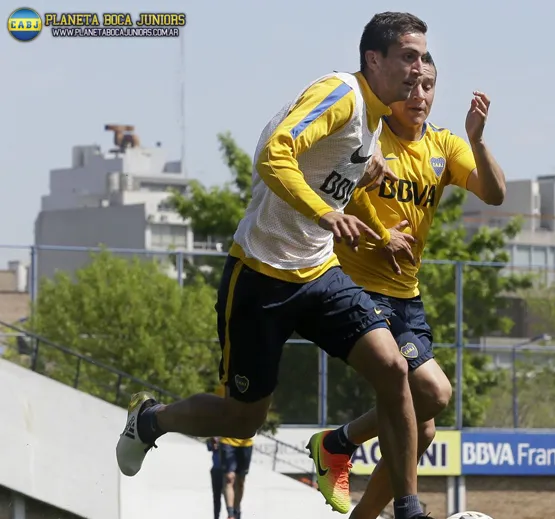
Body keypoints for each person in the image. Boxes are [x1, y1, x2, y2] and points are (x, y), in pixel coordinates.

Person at [115, 11, 432, 519]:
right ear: (374, 59)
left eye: (423, 59)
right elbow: (273, 153)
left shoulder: (373, 121)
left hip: (319, 274)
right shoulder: (342, 95)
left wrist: (373, 224)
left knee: (395, 368)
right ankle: (152, 420)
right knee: (241, 422)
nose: (419, 70)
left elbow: (341, 179)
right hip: (260, 277)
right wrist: (327, 212)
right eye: (409, 57)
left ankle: (409, 509)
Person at [307, 52, 507, 519]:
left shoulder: (443, 146)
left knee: (426, 429)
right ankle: (384, 487)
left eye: (429, 86)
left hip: (406, 297)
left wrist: (477, 141)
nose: (419, 96)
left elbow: (495, 193)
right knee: (434, 394)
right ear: (393, 85)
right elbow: (326, 174)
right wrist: (379, 231)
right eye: (412, 85)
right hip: (354, 289)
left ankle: (341, 453)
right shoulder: (367, 136)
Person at [214, 385, 252, 519]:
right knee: (229, 478)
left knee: (241, 481)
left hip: (245, 442)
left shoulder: (253, 387)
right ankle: (230, 514)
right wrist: (214, 434)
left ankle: (237, 510)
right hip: (227, 441)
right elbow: (216, 413)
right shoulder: (222, 388)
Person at [207, 437, 223, 519]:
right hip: (216, 470)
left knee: (231, 497)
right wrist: (214, 442)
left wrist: (220, 444)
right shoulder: (213, 437)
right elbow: (209, 447)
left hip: (228, 470)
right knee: (216, 497)